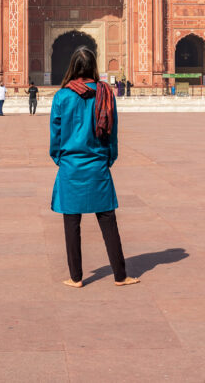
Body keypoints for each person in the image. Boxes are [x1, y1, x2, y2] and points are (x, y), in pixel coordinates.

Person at [49, 47, 139, 288]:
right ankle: (120, 276)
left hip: (70, 167)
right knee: (108, 220)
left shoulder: (62, 97)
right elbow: (112, 132)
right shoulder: (105, 93)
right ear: (93, 67)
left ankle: (76, 277)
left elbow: (55, 137)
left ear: (72, 67)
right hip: (97, 164)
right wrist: (109, 158)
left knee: (71, 223)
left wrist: (61, 159)